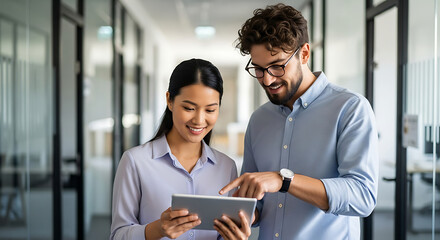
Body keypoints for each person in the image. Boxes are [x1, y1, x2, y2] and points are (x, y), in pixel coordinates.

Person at [220, 3, 379, 240]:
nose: (267, 79)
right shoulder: (259, 120)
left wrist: (285, 181)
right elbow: (257, 202)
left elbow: (362, 197)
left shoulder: (350, 108)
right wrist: (244, 217)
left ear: (304, 53)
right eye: (259, 69)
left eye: (277, 66)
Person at [110, 58, 251, 240]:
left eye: (210, 110)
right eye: (189, 108)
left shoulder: (226, 166)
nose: (199, 120)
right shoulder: (135, 162)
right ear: (170, 100)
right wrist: (157, 229)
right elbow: (117, 235)